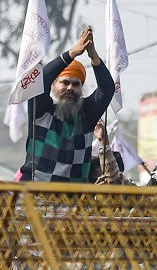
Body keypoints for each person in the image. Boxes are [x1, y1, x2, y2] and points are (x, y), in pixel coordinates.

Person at [19, 27, 114, 182]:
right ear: (53, 86)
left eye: (76, 84)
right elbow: (40, 80)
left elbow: (107, 89)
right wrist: (73, 53)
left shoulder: (86, 115)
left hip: (73, 199)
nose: (70, 88)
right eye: (64, 82)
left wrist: (94, 57)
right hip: (36, 195)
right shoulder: (41, 110)